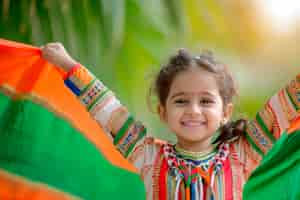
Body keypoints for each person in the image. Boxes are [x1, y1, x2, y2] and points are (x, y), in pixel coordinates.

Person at [41, 43, 299, 200]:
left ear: (225, 113)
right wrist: (69, 65)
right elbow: (109, 111)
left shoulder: (242, 154)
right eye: (181, 101)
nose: (193, 110)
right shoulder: (148, 156)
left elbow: (284, 104)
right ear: (163, 112)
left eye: (206, 101)